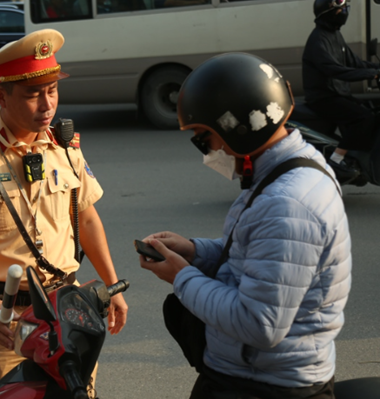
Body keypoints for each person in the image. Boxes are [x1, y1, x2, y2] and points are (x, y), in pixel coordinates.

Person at [139, 53, 351, 399]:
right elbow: (255, 258)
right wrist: (194, 252)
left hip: (263, 385)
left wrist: (181, 276)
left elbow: (259, 323)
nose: (206, 152)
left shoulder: (288, 204)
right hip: (255, 371)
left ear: (236, 127)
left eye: (203, 138)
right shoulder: (294, 167)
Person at [0, 29, 128, 396]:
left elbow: (86, 218)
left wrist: (112, 284)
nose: (47, 104)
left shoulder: (66, 149)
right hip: (8, 321)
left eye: (52, 91)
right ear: (0, 96)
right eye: (33, 95)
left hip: (69, 311)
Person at [302, 0, 379, 180]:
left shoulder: (334, 34)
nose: (345, 11)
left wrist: (376, 68)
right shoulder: (318, 40)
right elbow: (335, 70)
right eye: (341, 9)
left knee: (373, 112)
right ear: (329, 13)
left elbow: (355, 63)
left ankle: (359, 155)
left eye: (345, 8)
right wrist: (372, 74)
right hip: (324, 98)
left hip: (338, 94)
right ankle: (337, 159)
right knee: (364, 118)